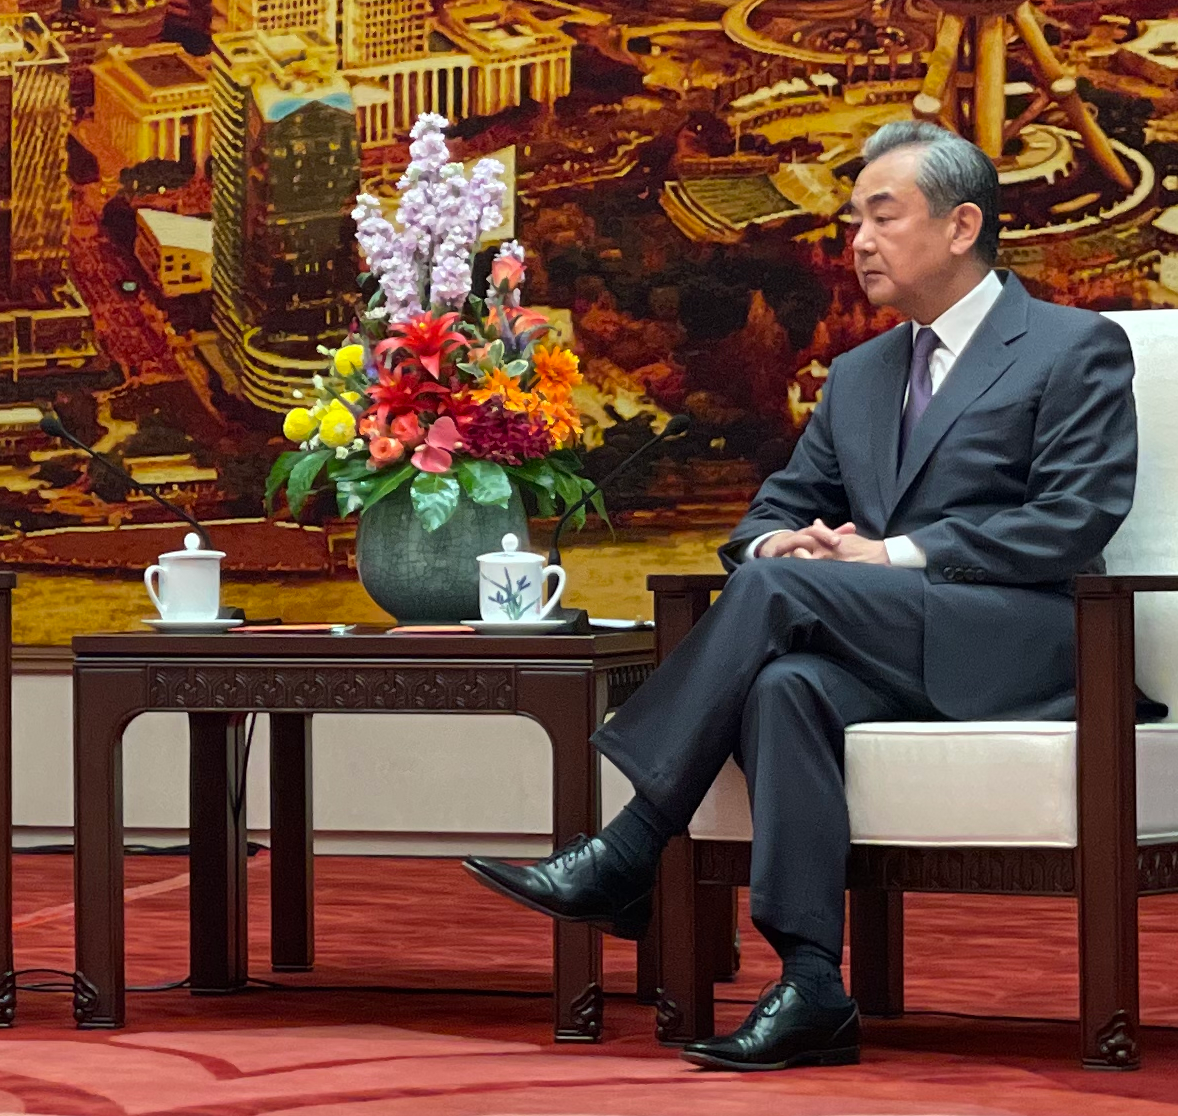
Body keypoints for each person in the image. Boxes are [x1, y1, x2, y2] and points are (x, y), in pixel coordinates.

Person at [463, 121, 1140, 1071]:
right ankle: (813, 982)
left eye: (881, 215)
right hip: (890, 643)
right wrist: (784, 539)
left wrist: (894, 555)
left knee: (784, 595)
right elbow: (770, 516)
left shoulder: (1074, 347)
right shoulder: (861, 374)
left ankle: (632, 848)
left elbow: (1077, 518)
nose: (855, 239)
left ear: (961, 227)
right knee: (785, 688)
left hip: (1024, 639)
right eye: (851, 217)